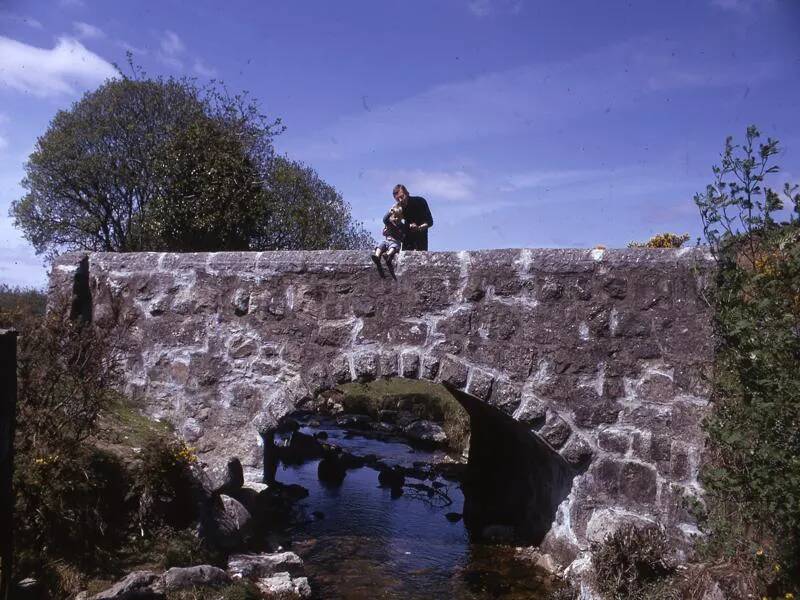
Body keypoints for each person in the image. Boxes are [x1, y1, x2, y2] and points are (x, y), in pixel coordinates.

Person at [393, 184, 432, 251]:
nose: (400, 200)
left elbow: (430, 222)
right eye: (397, 199)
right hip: (407, 238)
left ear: (407, 193)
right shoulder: (398, 207)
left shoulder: (420, 201)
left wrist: (419, 228)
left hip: (421, 237)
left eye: (402, 197)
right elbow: (395, 224)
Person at [371, 204, 405, 278]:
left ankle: (388, 255)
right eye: (394, 217)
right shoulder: (389, 224)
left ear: (401, 218)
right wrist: (390, 212)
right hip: (387, 241)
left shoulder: (402, 227)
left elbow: (404, 236)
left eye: (398, 218)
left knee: (394, 247)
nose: (396, 219)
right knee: (381, 245)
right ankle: (377, 256)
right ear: (392, 217)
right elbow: (384, 219)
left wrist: (401, 237)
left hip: (395, 242)